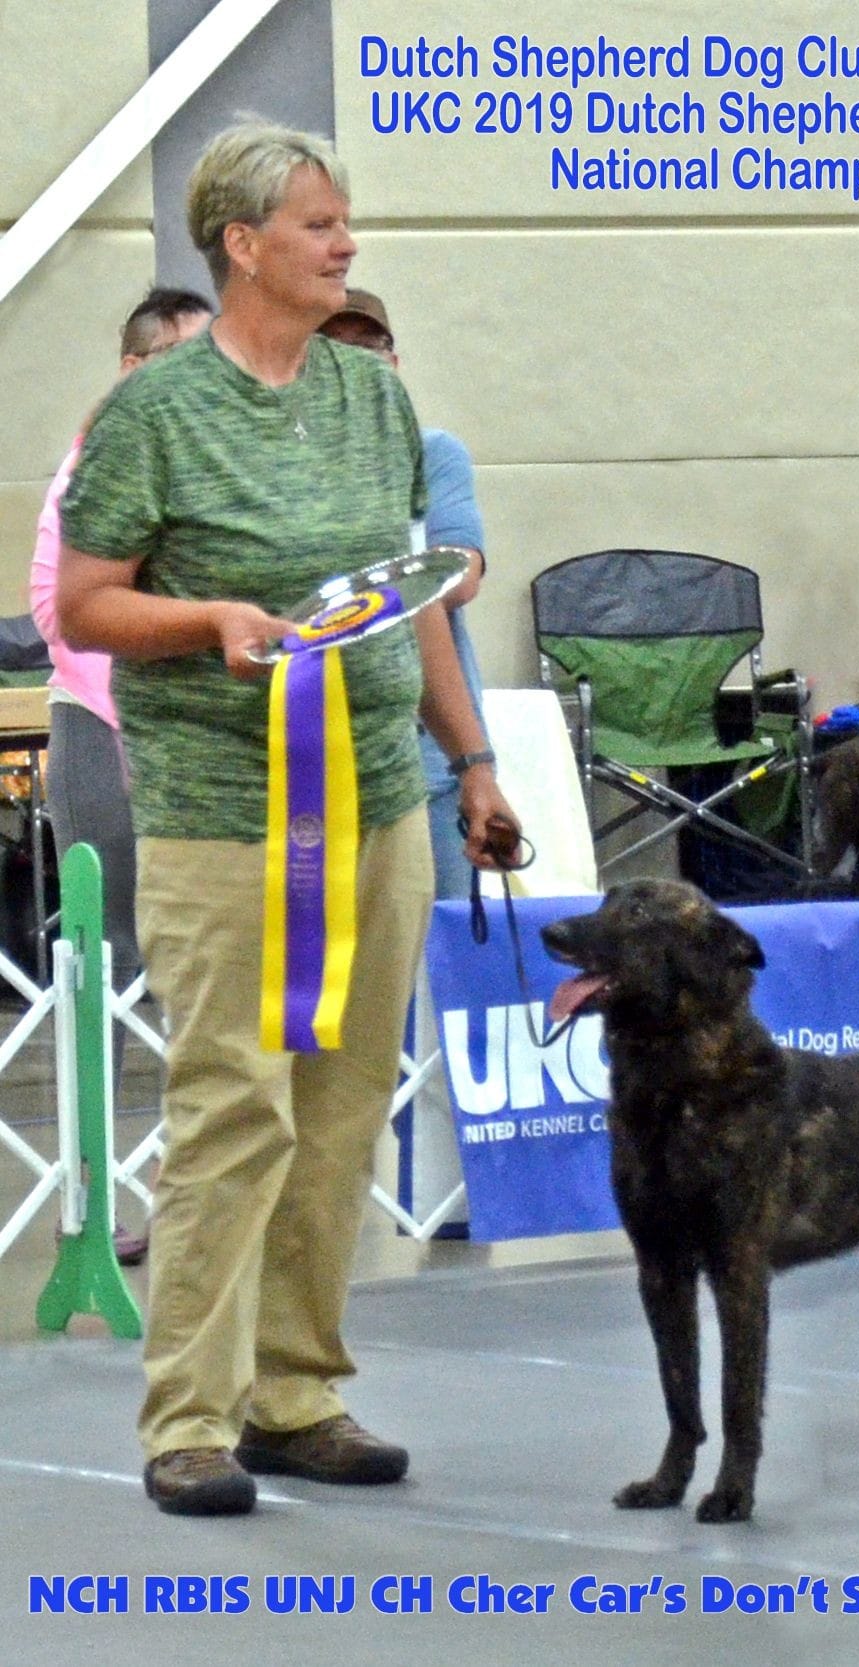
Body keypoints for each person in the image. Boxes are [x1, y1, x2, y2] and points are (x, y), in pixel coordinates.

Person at [55, 120, 519, 1517]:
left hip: (377, 800)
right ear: (243, 244)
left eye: (344, 220)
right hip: (218, 812)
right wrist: (210, 620)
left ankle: (295, 1389)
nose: (347, 242)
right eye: (320, 223)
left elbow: (414, 598)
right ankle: (188, 1414)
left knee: (339, 1106)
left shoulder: (377, 405)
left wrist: (474, 761)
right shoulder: (154, 413)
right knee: (231, 1109)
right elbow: (81, 605)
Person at [30, 285, 214, 1267]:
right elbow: (56, 607)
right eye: (187, 354)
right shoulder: (90, 469)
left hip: (194, 735)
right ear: (136, 367)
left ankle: (196, 1194)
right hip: (105, 730)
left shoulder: (210, 464)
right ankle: (95, 1201)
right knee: (104, 969)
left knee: (202, 972)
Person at [318, 289, 487, 898]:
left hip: (430, 756)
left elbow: (460, 577)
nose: (361, 363)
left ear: (395, 361)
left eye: (374, 347)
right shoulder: (285, 468)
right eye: (338, 349)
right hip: (317, 756)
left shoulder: (434, 453)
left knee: (443, 945)